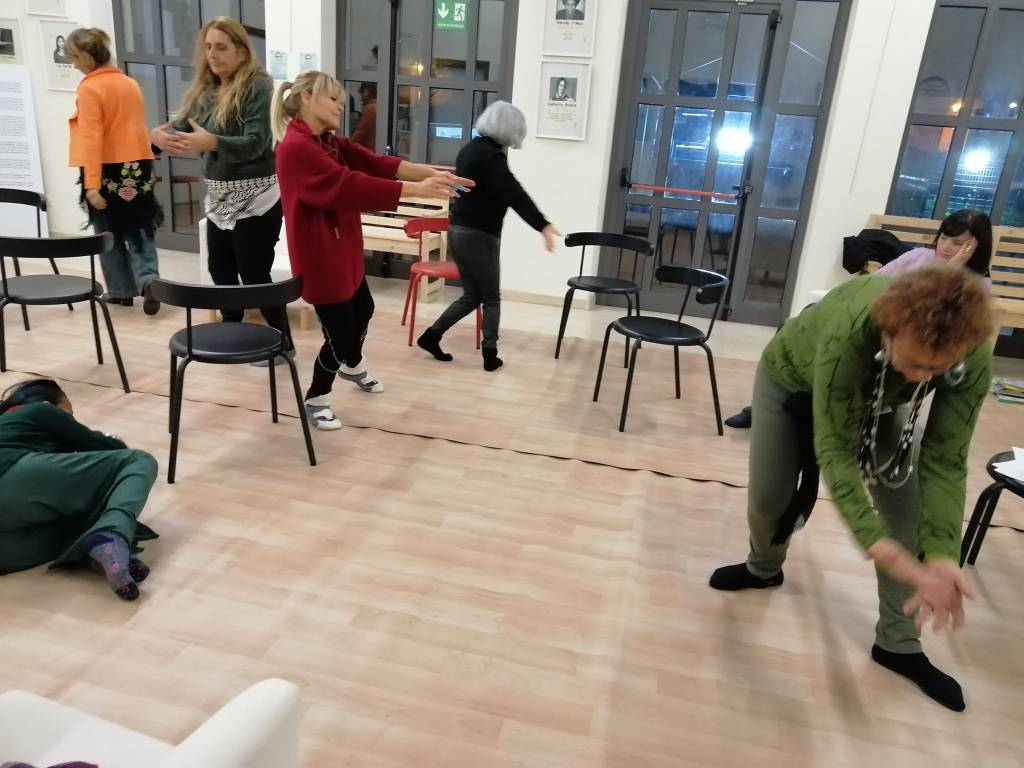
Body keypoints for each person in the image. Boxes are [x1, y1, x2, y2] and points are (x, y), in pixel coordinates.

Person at [710, 266, 994, 712]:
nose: (921, 378)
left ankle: (898, 644)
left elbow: (945, 459)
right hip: (791, 377)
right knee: (769, 497)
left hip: (879, 400)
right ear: (889, 330)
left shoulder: (970, 354)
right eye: (914, 362)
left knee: (907, 514)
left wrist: (942, 553)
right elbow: (835, 450)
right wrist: (872, 540)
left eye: (936, 369)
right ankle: (763, 567)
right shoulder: (851, 331)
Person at [272, 71, 474, 431]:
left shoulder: (328, 142)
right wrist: (417, 190)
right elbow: (347, 185)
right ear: (306, 98)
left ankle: (352, 366)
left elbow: (376, 163)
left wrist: (431, 174)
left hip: (343, 247)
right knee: (340, 335)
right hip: (320, 257)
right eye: (332, 98)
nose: (341, 105)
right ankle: (316, 399)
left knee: (363, 308)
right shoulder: (296, 148)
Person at [724, 208, 994, 429]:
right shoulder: (918, 257)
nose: (945, 247)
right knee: (802, 322)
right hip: (874, 323)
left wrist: (950, 270)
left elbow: (934, 322)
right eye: (944, 238)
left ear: (974, 247)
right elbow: (872, 285)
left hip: (904, 347)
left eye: (957, 243)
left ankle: (816, 410)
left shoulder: (978, 286)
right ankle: (767, 406)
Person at [150, 17, 292, 365]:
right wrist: (156, 139)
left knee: (254, 275)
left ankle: (283, 343)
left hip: (257, 198)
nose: (212, 54)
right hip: (219, 198)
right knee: (221, 270)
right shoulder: (206, 90)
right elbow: (180, 129)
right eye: (208, 47)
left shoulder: (258, 86)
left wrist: (211, 142)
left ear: (241, 51)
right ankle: (233, 333)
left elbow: (256, 143)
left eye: (221, 47)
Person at [416, 101, 560, 371]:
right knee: (491, 297)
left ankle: (431, 336)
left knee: (472, 296)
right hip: (479, 235)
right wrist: (542, 225)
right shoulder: (491, 157)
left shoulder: (470, 150)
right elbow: (515, 194)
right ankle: (490, 355)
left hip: (459, 230)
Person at [0, 379, 159, 601]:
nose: (71, 421)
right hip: (12, 474)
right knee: (139, 461)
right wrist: (110, 438)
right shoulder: (39, 410)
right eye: (69, 415)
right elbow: (108, 449)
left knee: (69, 529)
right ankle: (112, 535)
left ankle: (105, 555)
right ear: (49, 404)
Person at [67, 27, 162, 314]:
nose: (73, 64)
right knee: (140, 226)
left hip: (105, 169)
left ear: (86, 56)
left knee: (108, 231)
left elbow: (91, 139)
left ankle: (121, 291)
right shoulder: (128, 83)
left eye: (74, 57)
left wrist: (92, 185)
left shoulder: (90, 88)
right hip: (136, 166)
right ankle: (150, 281)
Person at [350, 82, 377, 150]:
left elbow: (359, 135)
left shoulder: (370, 108)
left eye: (361, 94)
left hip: (368, 151)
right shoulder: (381, 106)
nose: (361, 98)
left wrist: (345, 146)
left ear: (366, 92)